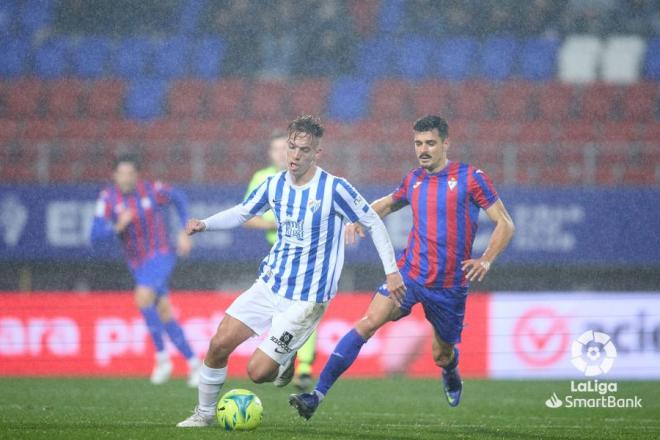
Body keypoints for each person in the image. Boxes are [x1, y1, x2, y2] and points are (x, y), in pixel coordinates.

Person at [176, 115, 405, 428]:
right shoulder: (274, 184)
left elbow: (373, 223)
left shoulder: (334, 189)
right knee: (218, 344)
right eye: (291, 148)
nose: (295, 156)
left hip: (306, 300)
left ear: (316, 154)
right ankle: (203, 414)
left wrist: (391, 272)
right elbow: (244, 211)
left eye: (303, 150)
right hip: (270, 283)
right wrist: (205, 223)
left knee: (257, 373)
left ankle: (284, 361)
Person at [289, 115, 515, 419]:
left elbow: (505, 223)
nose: (423, 149)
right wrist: (359, 218)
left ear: (446, 143)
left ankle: (450, 370)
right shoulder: (414, 179)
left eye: (430, 143)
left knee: (441, 353)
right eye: (418, 143)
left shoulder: (471, 177)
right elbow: (389, 202)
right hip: (410, 274)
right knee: (369, 322)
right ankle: (316, 395)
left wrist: (486, 258)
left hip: (449, 286)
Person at [90, 153, 200, 386]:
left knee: (141, 297)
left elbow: (179, 197)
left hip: (161, 253)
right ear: (114, 175)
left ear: (137, 175)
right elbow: (95, 234)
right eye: (122, 173)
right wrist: (116, 226)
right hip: (136, 263)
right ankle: (194, 364)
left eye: (130, 173)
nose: (126, 178)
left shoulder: (152, 190)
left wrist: (184, 229)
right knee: (164, 312)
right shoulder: (107, 198)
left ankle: (161, 358)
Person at [243, 130, 319, 391]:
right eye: (275, 149)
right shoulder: (263, 178)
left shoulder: (309, 179)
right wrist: (269, 222)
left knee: (306, 307)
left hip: (305, 255)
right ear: (270, 154)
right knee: (284, 313)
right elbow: (247, 215)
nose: (280, 154)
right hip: (276, 254)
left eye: (283, 149)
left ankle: (305, 368)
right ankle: (285, 356)